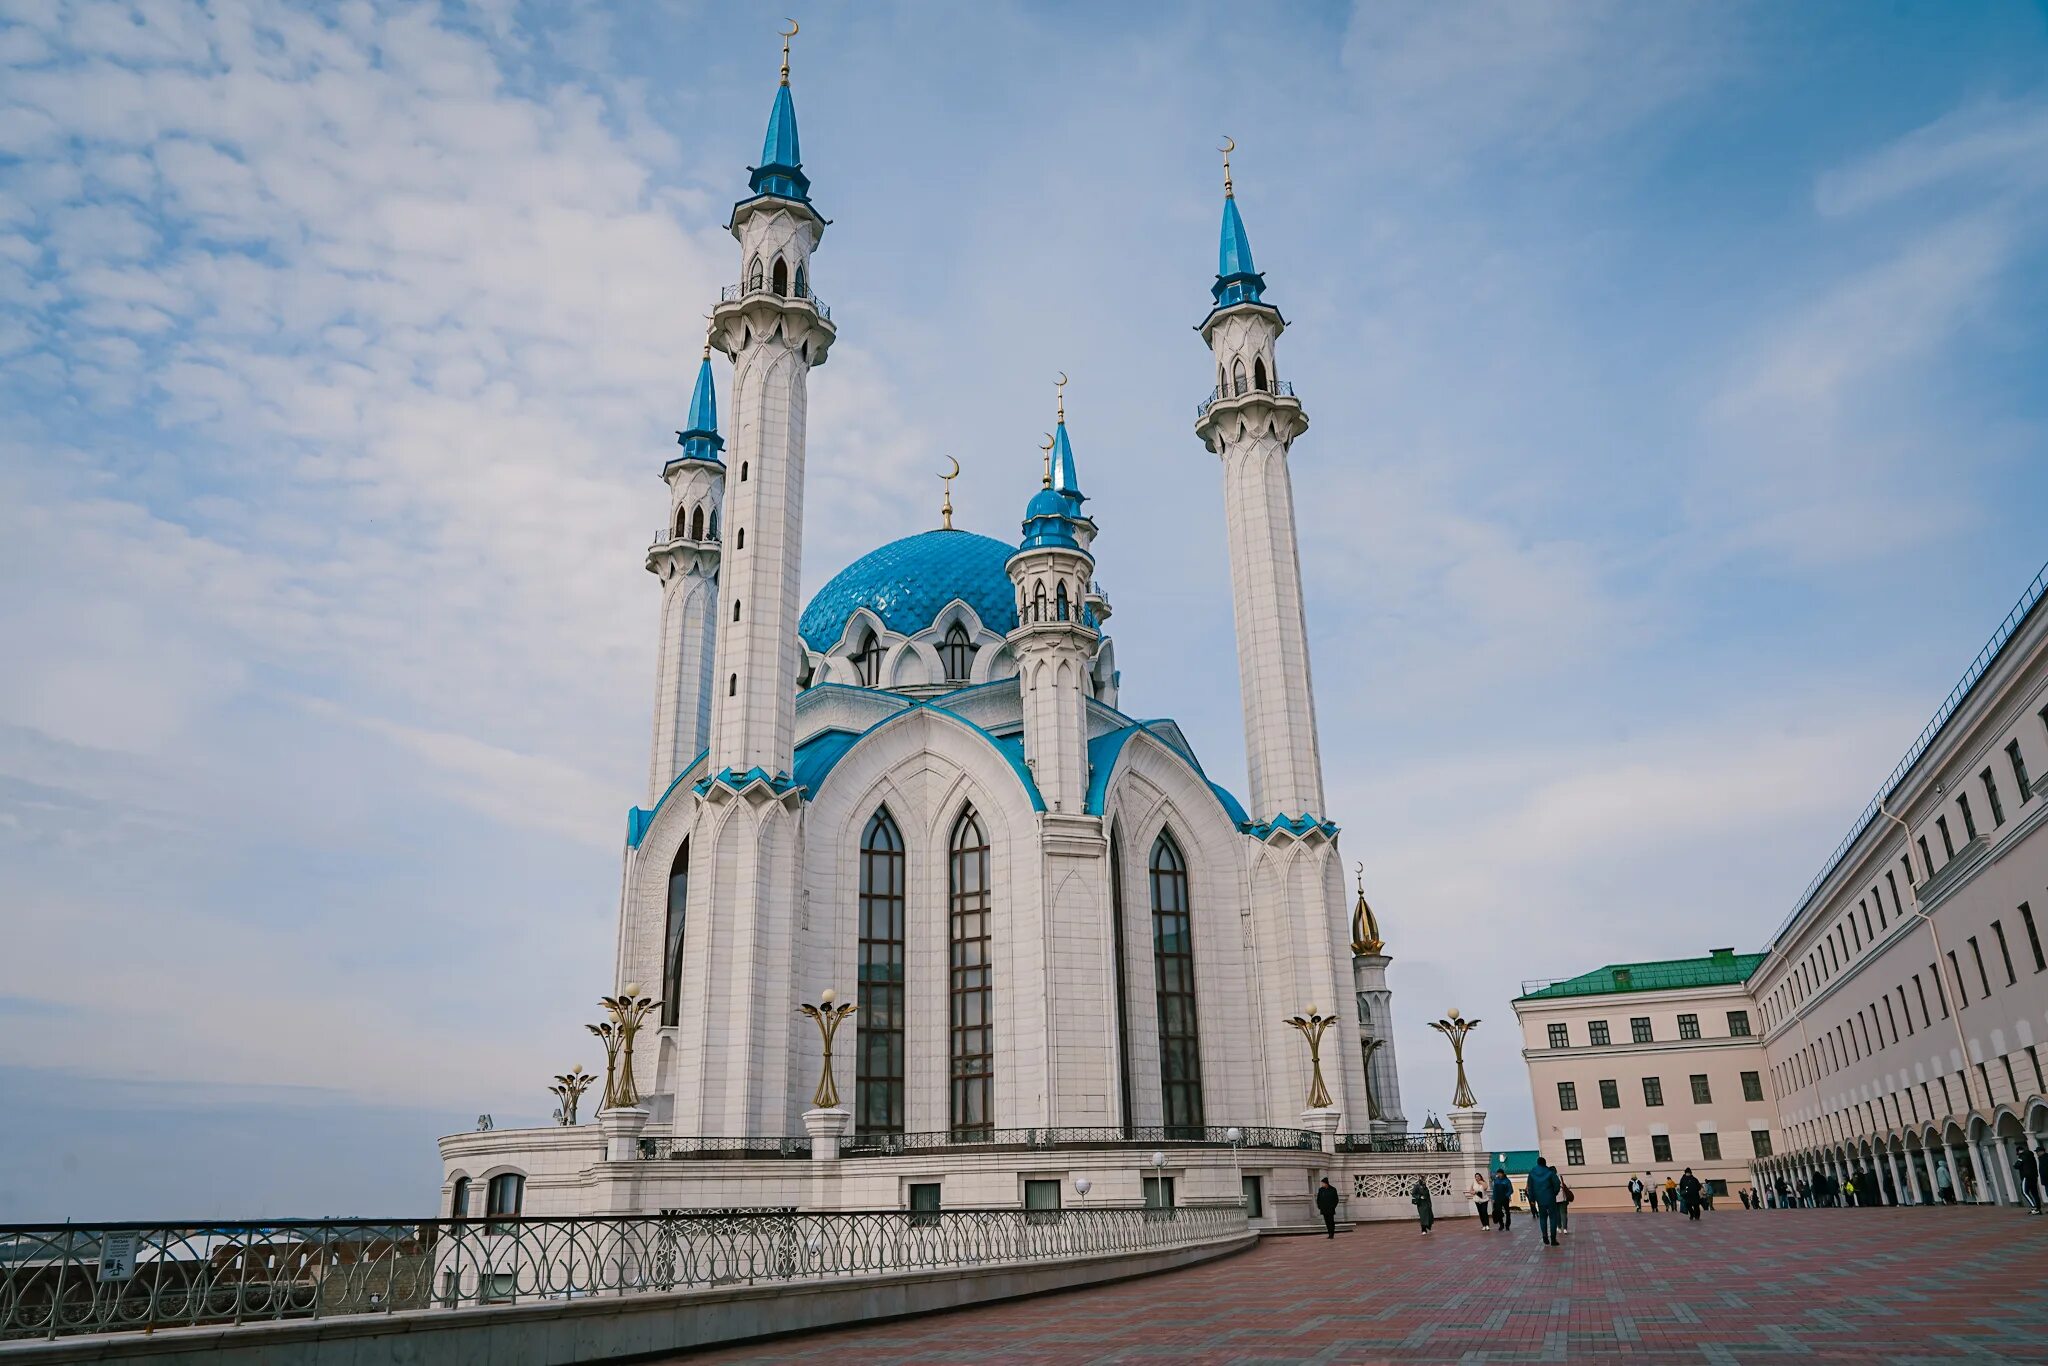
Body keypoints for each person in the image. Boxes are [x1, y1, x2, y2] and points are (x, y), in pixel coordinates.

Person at [1527, 1156, 1563, 1247]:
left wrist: (1532, 1199)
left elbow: (1530, 1187)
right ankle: (1553, 1239)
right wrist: (1554, 1192)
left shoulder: (1532, 1173)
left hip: (1540, 1199)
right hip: (1550, 1198)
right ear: (1545, 1163)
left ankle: (1545, 1236)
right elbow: (1557, 1184)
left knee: (1542, 1218)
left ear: (1537, 1163)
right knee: (1553, 1218)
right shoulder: (1550, 1172)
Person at [2014, 1143, 2043, 1216]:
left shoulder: (2022, 1156)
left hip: (2026, 1176)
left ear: (2019, 1151)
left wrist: (2015, 1164)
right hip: (2033, 1176)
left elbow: (2017, 1165)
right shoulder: (2031, 1156)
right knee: (2034, 1192)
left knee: (2024, 1192)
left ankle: (2034, 1208)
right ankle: (2038, 1208)